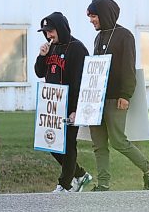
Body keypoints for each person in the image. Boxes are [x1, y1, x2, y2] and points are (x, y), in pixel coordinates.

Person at [86, 0, 149, 191]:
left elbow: (128, 68)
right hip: (95, 100)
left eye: (93, 16)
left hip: (115, 98)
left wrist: (125, 95)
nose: (91, 20)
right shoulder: (98, 37)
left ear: (104, 14)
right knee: (98, 144)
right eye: (90, 16)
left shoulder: (125, 36)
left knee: (118, 141)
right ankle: (103, 184)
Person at [34, 12, 93, 193]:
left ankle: (64, 185)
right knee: (50, 143)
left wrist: (76, 109)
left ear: (60, 28)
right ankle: (81, 174)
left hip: (70, 105)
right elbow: (39, 73)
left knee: (68, 144)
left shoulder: (77, 48)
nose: (48, 35)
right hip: (52, 106)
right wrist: (42, 56)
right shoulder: (50, 48)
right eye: (45, 32)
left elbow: (79, 81)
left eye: (51, 31)